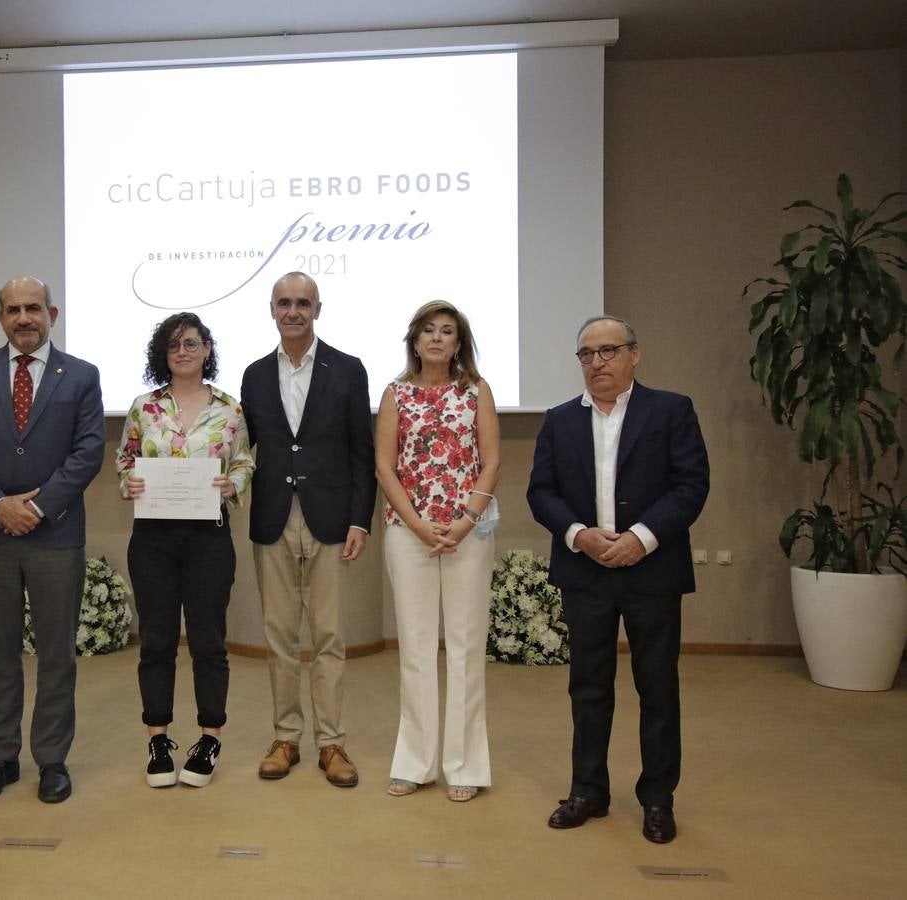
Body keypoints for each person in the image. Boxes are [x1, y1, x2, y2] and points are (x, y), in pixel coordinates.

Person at [526, 315, 709, 844]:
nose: (597, 362)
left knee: (657, 688)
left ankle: (657, 798)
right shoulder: (559, 419)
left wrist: (641, 538)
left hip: (653, 569)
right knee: (587, 688)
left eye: (608, 351)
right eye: (586, 354)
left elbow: (692, 485)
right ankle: (588, 791)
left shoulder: (671, 410)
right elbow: (542, 493)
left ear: (634, 354)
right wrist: (580, 534)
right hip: (585, 571)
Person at [0, 275, 106, 805]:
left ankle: (52, 759)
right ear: (0, 318)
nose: (23, 318)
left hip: (55, 534)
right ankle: (0, 756)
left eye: (33, 308)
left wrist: (35, 506)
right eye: (12, 310)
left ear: (51, 315)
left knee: (57, 652)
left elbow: (88, 451)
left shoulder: (80, 375)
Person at [239, 271, 377, 787]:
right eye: (283, 303)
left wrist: (359, 518)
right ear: (271, 310)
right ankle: (285, 738)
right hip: (273, 517)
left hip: (331, 520)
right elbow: (240, 448)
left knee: (329, 636)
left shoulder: (348, 369)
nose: (292, 311)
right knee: (277, 635)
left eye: (303, 303)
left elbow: (362, 453)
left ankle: (333, 743)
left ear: (318, 309)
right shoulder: (253, 375)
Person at [116, 313, 254, 788]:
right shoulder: (143, 407)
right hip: (152, 538)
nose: (183, 351)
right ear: (164, 353)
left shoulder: (230, 409)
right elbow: (124, 460)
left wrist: (229, 482)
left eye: (191, 343)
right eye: (173, 345)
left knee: (208, 640)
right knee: (155, 640)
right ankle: (158, 738)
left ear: (207, 348)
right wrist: (128, 483)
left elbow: (245, 462)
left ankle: (209, 737)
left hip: (208, 538)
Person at [374, 301, 500, 802]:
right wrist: (419, 526)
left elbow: (490, 462)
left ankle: (466, 766)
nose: (436, 338)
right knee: (417, 649)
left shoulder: (476, 392)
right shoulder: (395, 394)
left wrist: (464, 521)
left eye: (447, 331)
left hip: (468, 532)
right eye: (428, 330)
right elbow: (386, 468)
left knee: (466, 648)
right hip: (410, 534)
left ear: (458, 343)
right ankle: (415, 763)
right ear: (414, 340)